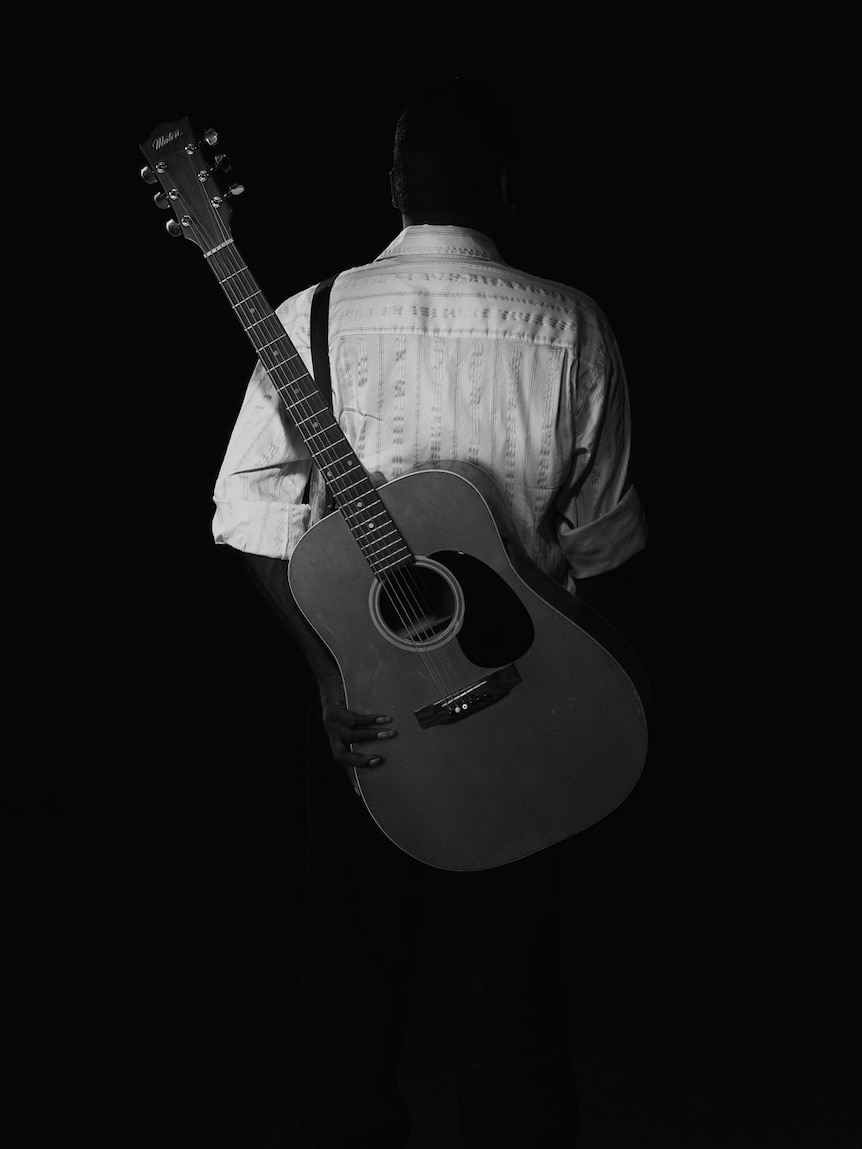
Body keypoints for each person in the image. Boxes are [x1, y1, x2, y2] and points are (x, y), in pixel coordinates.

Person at [212, 79, 647, 1149]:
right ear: (503, 186)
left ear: (394, 187)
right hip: (531, 690)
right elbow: (602, 542)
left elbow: (248, 513)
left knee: (350, 968)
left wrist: (331, 672)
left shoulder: (309, 315)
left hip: (368, 704)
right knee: (519, 979)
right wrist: (558, 661)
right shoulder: (571, 322)